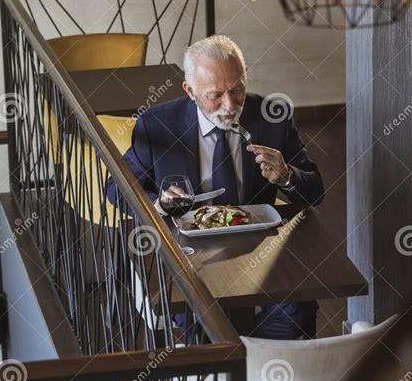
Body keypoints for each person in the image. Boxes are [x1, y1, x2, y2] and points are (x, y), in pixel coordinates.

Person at [107, 35, 324, 339]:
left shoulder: (272, 116)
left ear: (245, 74)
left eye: (237, 90)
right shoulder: (157, 124)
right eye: (215, 95)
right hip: (189, 253)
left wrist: (287, 176)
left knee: (299, 311)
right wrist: (157, 203)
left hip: (256, 250)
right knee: (204, 321)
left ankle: (252, 368)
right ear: (190, 91)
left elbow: (315, 191)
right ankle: (229, 372)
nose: (230, 105)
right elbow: (116, 188)